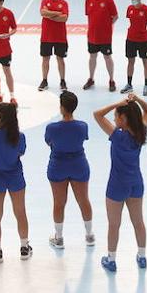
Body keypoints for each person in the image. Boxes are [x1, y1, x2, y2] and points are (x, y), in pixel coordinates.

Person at [92, 93, 147, 273]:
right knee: (138, 221)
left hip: (117, 185)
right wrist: (137, 100)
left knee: (114, 224)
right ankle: (142, 256)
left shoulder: (117, 135)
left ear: (123, 119)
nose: (113, 118)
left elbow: (97, 114)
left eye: (116, 115)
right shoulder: (140, 132)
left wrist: (119, 103)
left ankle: (111, 259)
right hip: (136, 183)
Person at [45, 91, 94, 249]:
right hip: (78, 164)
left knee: (59, 202)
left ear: (61, 107)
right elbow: (83, 139)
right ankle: (89, 235)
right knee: (84, 200)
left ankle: (59, 238)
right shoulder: (82, 126)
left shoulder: (52, 128)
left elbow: (49, 142)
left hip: (58, 165)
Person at [0, 103, 30, 262]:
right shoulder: (20, 136)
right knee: (20, 212)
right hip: (15, 176)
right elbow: (21, 152)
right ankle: (24, 247)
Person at [83, 0, 119, 91]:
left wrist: (107, 26)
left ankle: (111, 80)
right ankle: (91, 78)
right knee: (92, 57)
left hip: (105, 37)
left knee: (107, 57)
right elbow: (89, 15)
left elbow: (115, 16)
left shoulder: (108, 0)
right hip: (92, 35)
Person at [38, 0, 69, 92]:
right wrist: (56, 13)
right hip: (46, 37)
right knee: (45, 59)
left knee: (60, 59)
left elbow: (64, 18)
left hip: (60, 37)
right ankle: (44, 80)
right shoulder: (44, 1)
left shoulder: (64, 3)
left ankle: (62, 80)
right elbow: (42, 13)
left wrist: (49, 14)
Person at [123, 0, 147, 96]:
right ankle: (129, 84)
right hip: (130, 39)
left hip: (143, 41)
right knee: (130, 61)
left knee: (145, 62)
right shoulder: (129, 8)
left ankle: (146, 85)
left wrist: (146, 33)